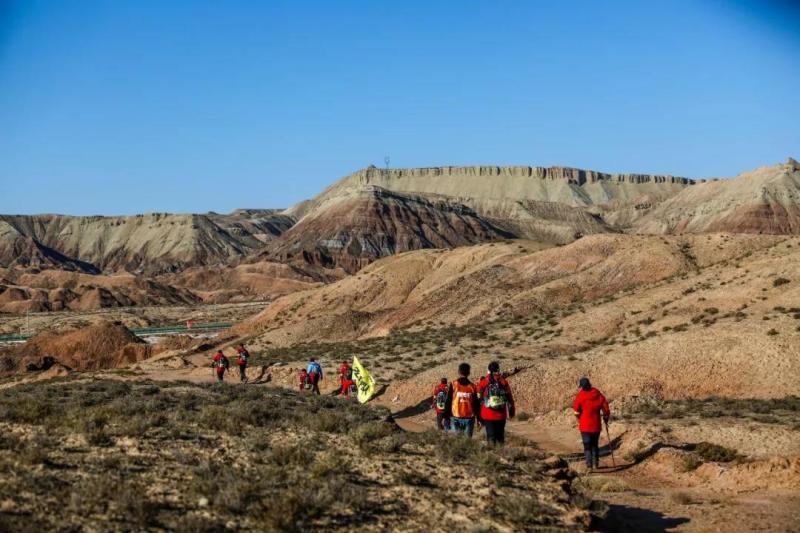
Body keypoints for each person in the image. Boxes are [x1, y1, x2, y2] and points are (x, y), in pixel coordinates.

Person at [573, 377, 610, 471]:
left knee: (587, 445)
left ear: (582, 386)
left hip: (585, 426)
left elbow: (576, 411)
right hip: (596, 425)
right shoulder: (597, 394)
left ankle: (589, 465)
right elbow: (605, 408)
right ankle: (595, 463)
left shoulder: (580, 396)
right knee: (594, 445)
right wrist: (606, 417)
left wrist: (579, 418)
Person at [477, 361, 516, 446]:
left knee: (491, 436)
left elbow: (479, 398)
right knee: (500, 437)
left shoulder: (483, 382)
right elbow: (510, 398)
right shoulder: (503, 382)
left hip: (487, 414)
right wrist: (512, 410)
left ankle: (493, 455)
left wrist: (478, 415)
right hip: (501, 415)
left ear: (488, 370)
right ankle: (501, 453)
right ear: (498, 369)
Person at [447, 363, 480, 438]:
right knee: (467, 441)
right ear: (469, 373)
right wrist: (479, 418)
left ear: (459, 372)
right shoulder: (473, 386)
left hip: (455, 416)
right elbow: (476, 404)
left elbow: (448, 401)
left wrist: (446, 416)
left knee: (456, 441)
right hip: (469, 417)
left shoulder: (453, 384)